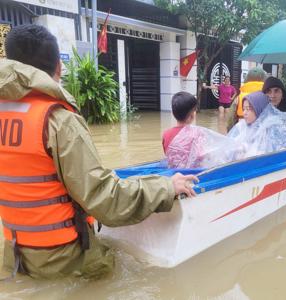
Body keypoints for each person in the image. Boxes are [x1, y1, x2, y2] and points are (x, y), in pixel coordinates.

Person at [0, 24, 198, 280]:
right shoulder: (58, 121)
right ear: (59, 67)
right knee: (114, 269)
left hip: (15, 256)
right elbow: (105, 200)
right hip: (64, 260)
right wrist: (167, 187)